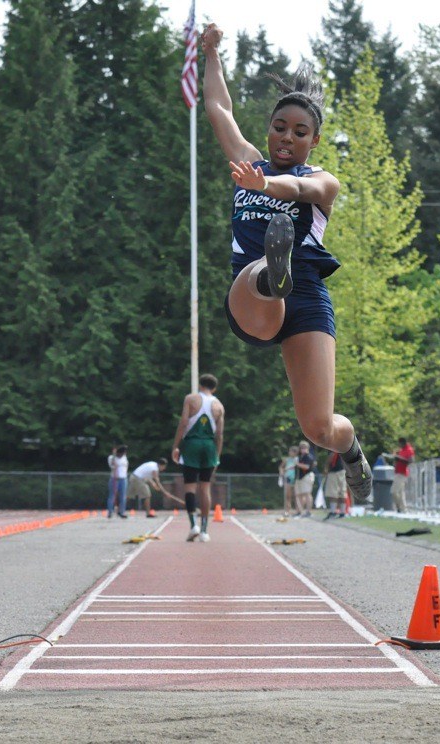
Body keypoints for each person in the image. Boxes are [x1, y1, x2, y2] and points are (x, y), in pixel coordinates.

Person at [200, 23, 371, 504]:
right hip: (251, 295)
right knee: (260, 276)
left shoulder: (323, 180)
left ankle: (351, 446)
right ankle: (271, 272)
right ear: (269, 129)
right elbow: (219, 109)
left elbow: (296, 189)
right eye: (279, 128)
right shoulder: (248, 161)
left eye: (299, 133)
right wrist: (212, 53)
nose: (285, 139)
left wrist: (264, 187)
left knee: (320, 427)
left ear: (313, 141)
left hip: (308, 300)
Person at [171, 373, 225, 543]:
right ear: (214, 388)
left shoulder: (191, 399)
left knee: (190, 487)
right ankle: (204, 531)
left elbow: (183, 422)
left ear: (200, 385)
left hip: (192, 445)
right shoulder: (219, 406)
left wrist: (176, 446)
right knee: (205, 488)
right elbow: (220, 434)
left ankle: (193, 524)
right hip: (209, 446)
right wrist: (217, 455)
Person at [384, 437, 415, 513]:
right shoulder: (402, 450)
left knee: (393, 491)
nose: (399, 445)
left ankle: (399, 507)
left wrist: (399, 458)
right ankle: (403, 509)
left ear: (403, 443)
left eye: (400, 444)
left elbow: (411, 461)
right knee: (401, 493)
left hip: (402, 473)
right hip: (398, 472)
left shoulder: (409, 450)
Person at [323, 450, 347, 520]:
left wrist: (326, 467)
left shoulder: (333, 446)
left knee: (334, 492)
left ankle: (335, 512)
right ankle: (341, 512)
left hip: (336, 471)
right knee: (340, 492)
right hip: (340, 471)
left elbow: (330, 458)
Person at [294, 440, 315, 517]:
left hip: (307, 476)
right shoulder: (300, 457)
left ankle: (308, 511)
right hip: (299, 477)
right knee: (299, 495)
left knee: (307, 494)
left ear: (307, 448)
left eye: (305, 447)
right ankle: (300, 511)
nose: (303, 449)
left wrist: (297, 464)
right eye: (302, 448)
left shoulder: (309, 456)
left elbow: (306, 467)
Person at [107, 445, 128, 519]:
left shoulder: (124, 457)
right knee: (112, 495)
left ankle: (121, 511)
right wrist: (113, 455)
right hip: (114, 478)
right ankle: (110, 512)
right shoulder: (111, 458)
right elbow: (112, 465)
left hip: (123, 478)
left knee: (123, 496)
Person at [279, 445, 299, 517]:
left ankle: (298, 510)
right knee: (288, 495)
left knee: (296, 495)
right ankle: (287, 511)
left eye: (291, 451)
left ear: (295, 453)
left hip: (296, 479)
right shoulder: (287, 459)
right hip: (288, 478)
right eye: (290, 451)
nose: (290, 453)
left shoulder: (297, 459)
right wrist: (281, 472)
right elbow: (281, 467)